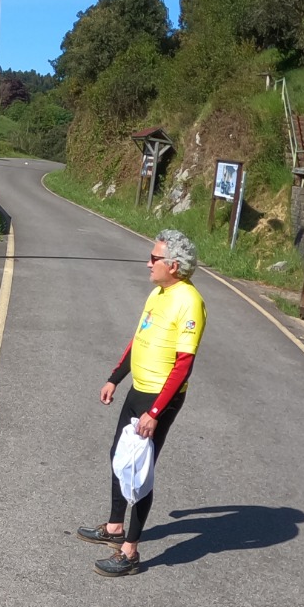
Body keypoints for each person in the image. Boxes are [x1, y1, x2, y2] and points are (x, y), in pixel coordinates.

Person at [77, 229, 205, 576]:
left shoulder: (189, 301)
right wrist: (114, 377)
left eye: (153, 258)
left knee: (140, 472)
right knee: (118, 457)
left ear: (173, 265)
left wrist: (154, 411)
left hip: (159, 399)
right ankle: (115, 527)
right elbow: (138, 340)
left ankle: (130, 553)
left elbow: (184, 363)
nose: (147, 263)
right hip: (138, 390)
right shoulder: (157, 293)